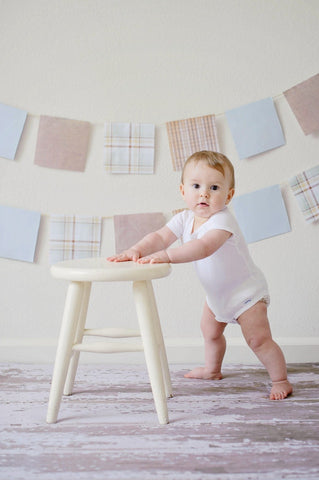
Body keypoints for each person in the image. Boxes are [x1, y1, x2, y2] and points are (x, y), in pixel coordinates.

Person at [108, 150, 293, 400]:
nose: (204, 193)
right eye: (196, 186)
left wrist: (168, 255)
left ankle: (280, 379)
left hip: (246, 294)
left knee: (258, 340)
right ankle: (212, 369)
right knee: (210, 332)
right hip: (217, 295)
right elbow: (160, 236)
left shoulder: (222, 222)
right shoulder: (184, 218)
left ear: (228, 195)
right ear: (183, 191)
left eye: (214, 187)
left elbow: (204, 247)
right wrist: (136, 250)